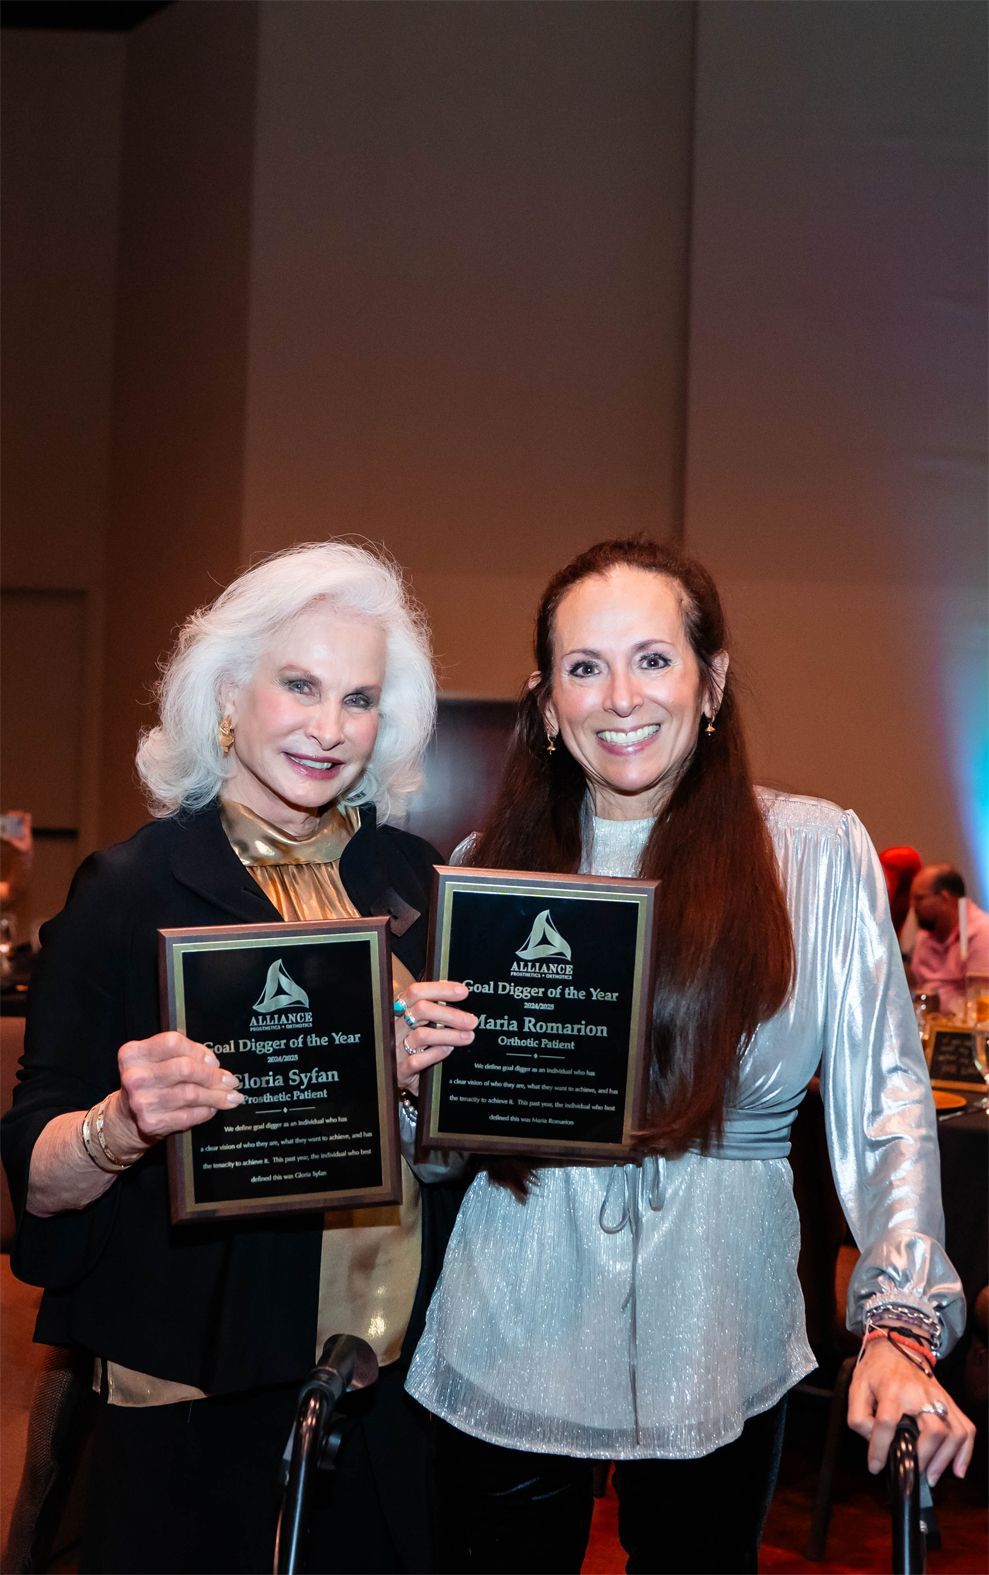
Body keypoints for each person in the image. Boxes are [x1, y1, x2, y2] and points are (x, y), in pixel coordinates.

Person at [405, 537, 975, 1575]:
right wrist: (416, 1085)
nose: (620, 697)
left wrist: (897, 1319)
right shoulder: (485, 872)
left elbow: (884, 1101)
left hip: (721, 1329)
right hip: (511, 1311)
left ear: (709, 683)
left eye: (652, 659)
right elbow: (444, 1156)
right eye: (583, 668)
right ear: (543, 704)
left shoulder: (810, 854)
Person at [1, 542, 477, 1575]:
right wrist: (119, 1126)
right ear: (227, 694)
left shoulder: (412, 877)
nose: (327, 726)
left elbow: (444, 1159)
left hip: (387, 1386)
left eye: (358, 697)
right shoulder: (132, 889)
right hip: (194, 1397)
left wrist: (428, 1094)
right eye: (298, 685)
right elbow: (32, 1178)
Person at [909, 863, 989, 1018]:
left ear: (944, 898)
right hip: (928, 1027)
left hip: (964, 1033)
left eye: (919, 898)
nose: (913, 906)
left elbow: (980, 999)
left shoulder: (981, 933)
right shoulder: (923, 936)